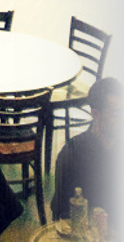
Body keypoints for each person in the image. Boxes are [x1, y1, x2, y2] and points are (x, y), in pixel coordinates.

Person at [51, 76, 120, 232]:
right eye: (116, 113)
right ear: (95, 114)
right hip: (89, 236)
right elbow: (62, 213)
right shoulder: (72, 154)